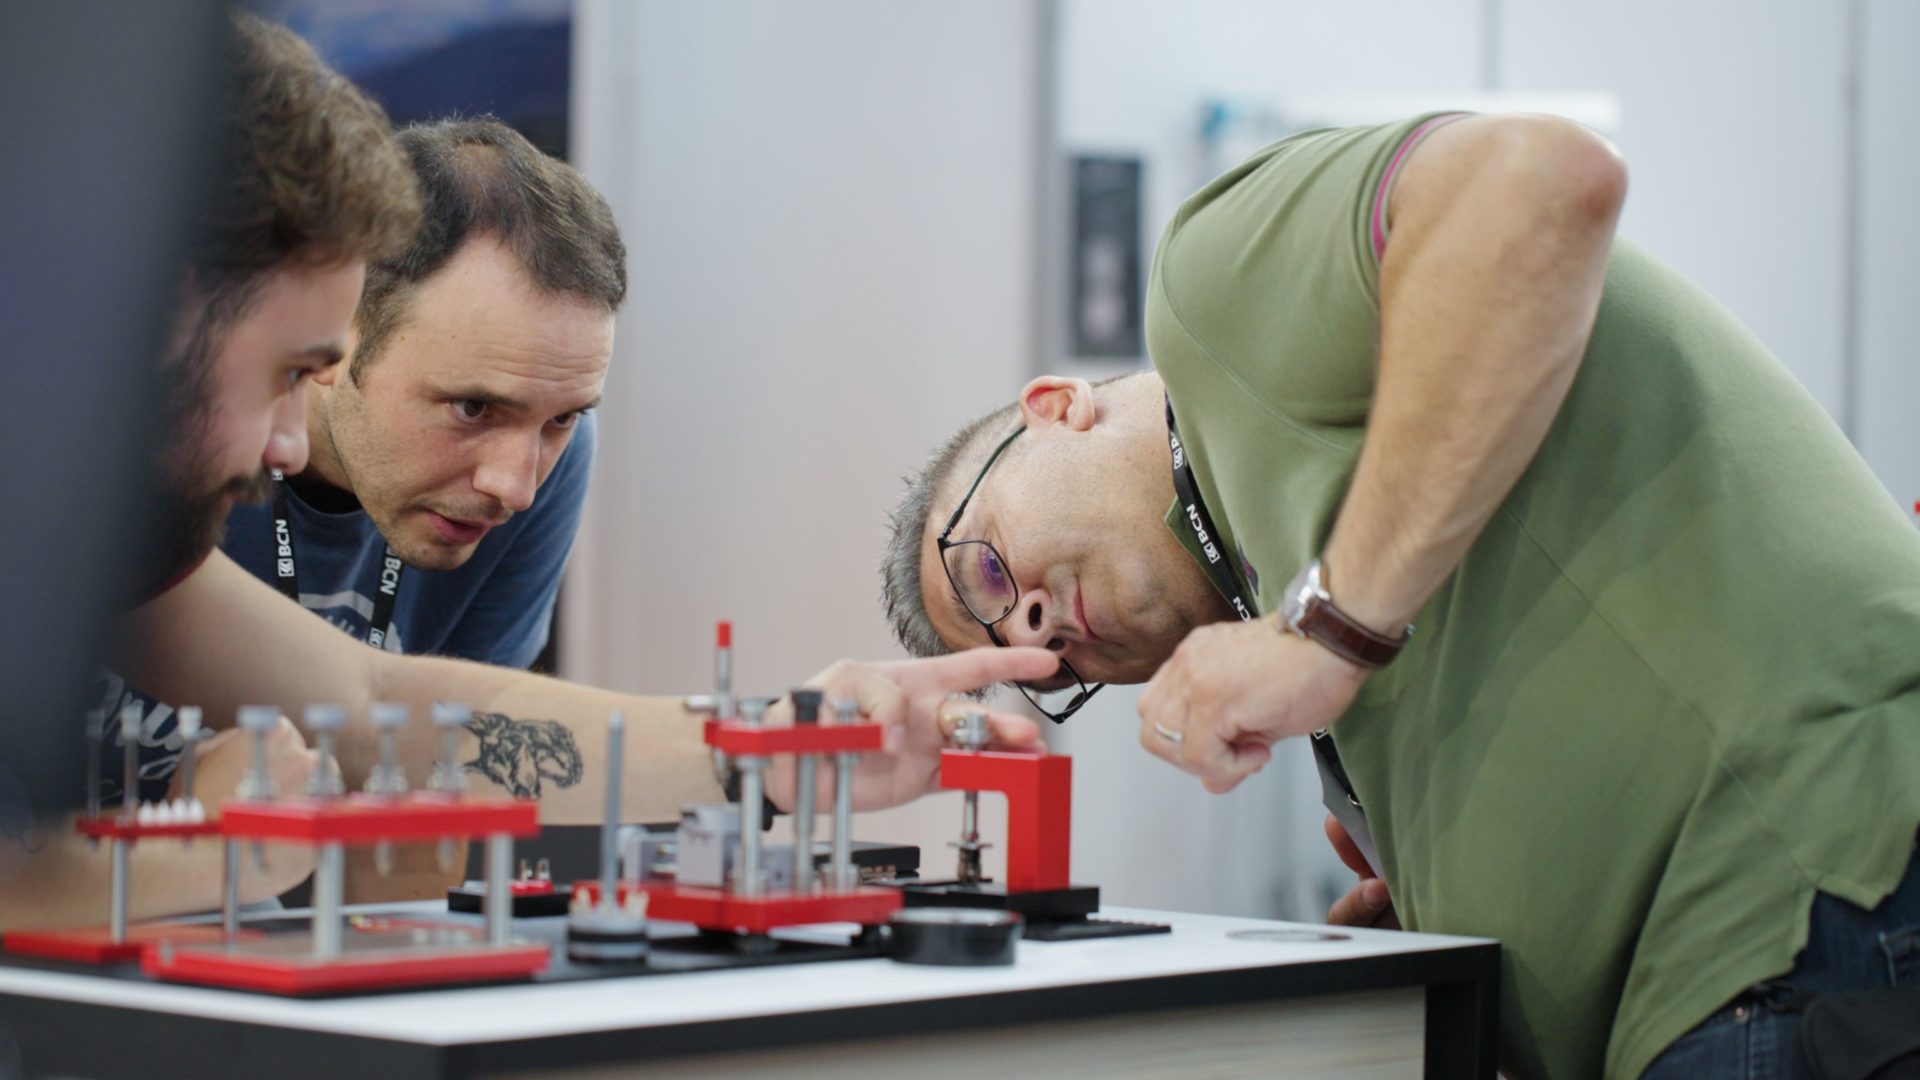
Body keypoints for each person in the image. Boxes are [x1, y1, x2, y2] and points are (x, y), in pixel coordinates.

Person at [881, 112, 1920, 1079]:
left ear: (1055, 408)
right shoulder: (1292, 582)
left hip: (1809, 903)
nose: (1034, 632)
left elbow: (1542, 181)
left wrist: (1327, 633)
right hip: (1715, 992)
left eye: (986, 568)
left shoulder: (1207, 294)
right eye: (1042, 672)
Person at [0, 14, 1056, 933]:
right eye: (289, 373)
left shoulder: (126, 533)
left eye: (556, 424)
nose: (515, 483)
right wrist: (212, 852)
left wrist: (773, 746)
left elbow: (376, 705)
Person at [99, 116, 620, 815]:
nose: (515, 487)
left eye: (562, 418)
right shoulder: (121, 440)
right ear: (338, 332)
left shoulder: (550, 453)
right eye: (471, 408)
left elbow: (458, 771)